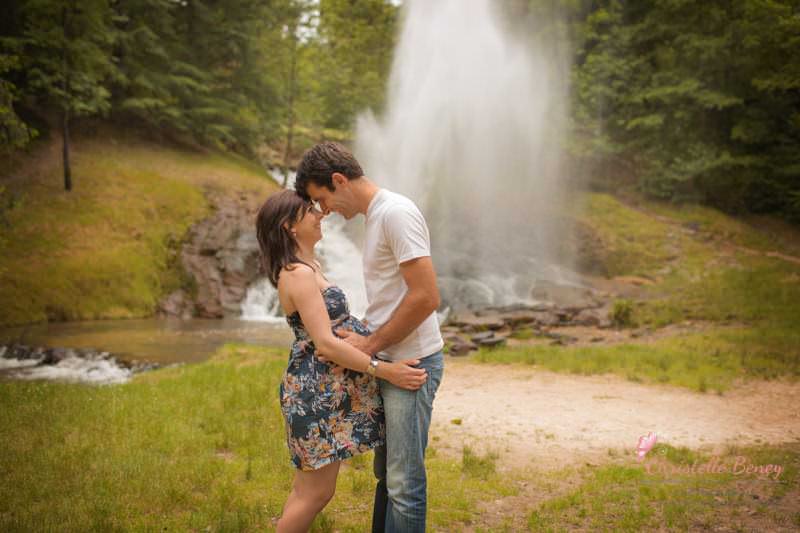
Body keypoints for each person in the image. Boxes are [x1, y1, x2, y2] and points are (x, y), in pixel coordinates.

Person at [255, 189, 428, 533]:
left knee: (309, 491)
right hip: (315, 393)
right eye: (310, 211)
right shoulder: (298, 274)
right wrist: (387, 371)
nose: (321, 215)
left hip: (324, 389)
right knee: (314, 494)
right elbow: (325, 343)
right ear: (290, 226)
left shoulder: (308, 267)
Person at [295, 142, 445, 533]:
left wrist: (369, 345)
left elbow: (426, 296)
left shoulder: (395, 213)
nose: (324, 211)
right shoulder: (376, 217)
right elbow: (393, 294)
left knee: (403, 482)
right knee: (388, 477)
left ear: (340, 180)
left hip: (410, 363)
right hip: (389, 362)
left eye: (322, 198)